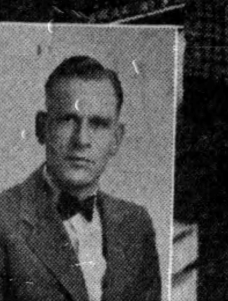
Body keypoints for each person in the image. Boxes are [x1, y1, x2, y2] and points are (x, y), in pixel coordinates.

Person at [0, 56, 162, 301]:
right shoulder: (4, 220)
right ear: (41, 127)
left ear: (116, 139)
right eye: (68, 120)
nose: (81, 140)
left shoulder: (136, 224)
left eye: (98, 124)